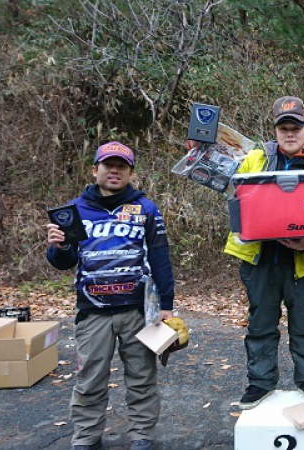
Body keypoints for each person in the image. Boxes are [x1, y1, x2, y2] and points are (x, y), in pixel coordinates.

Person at [46, 141, 176, 450]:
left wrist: (167, 305)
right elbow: (63, 261)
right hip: (92, 311)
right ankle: (86, 438)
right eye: (108, 165)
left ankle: (142, 436)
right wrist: (59, 246)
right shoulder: (74, 210)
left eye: (122, 166)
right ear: (95, 170)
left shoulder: (146, 209)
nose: (114, 171)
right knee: (89, 379)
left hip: (137, 310)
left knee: (142, 377)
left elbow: (160, 257)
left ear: (130, 172)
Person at [225, 96, 304, 409]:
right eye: (283, 128)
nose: (289, 133)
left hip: (302, 261)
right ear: (275, 131)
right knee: (260, 323)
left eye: (295, 128)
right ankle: (260, 383)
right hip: (261, 260)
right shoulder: (253, 160)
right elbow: (233, 198)